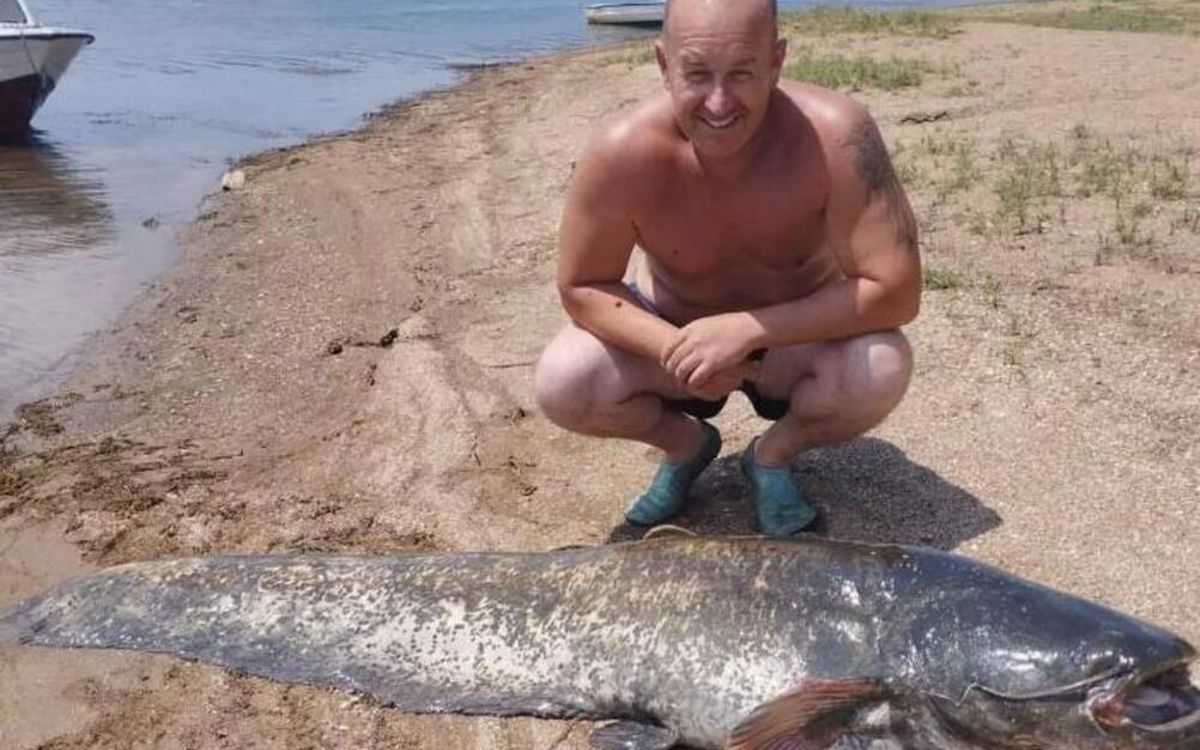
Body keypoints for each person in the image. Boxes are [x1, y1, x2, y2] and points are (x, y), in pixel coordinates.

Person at [534, 0, 920, 537]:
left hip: (793, 347)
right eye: (696, 74)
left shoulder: (836, 136)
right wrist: (675, 347)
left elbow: (897, 291)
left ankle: (770, 457)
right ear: (664, 64)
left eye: (742, 73)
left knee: (880, 367)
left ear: (776, 62)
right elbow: (582, 286)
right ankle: (686, 446)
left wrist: (746, 331)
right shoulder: (621, 151)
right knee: (565, 381)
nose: (718, 103)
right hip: (675, 342)